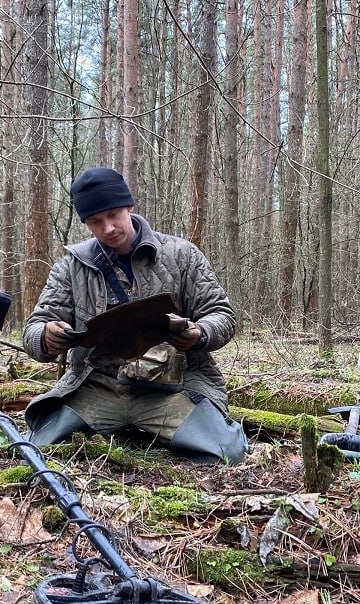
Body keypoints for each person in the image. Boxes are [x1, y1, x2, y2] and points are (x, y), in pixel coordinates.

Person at [21, 166, 248, 464]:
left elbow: (222, 315)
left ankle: (149, 429)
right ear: (86, 223)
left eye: (114, 215)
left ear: (129, 206)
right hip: (98, 386)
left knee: (228, 453)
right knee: (36, 451)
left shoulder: (181, 254)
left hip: (171, 388)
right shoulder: (72, 266)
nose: (109, 228)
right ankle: (124, 428)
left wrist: (197, 335)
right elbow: (33, 330)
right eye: (96, 222)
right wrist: (46, 336)